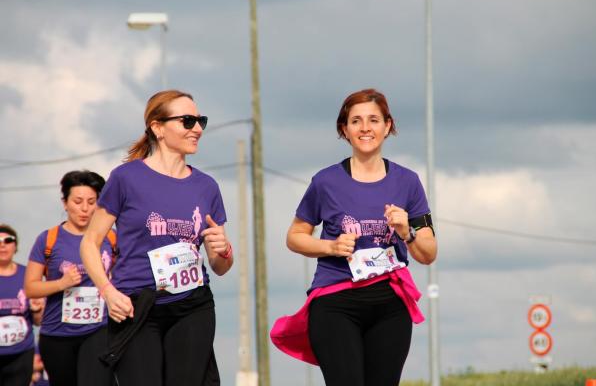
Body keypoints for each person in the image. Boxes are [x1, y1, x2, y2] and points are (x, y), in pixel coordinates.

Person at [271, 88, 438, 386]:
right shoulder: (326, 182)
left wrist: (406, 232)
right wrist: (330, 246)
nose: (365, 128)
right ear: (344, 130)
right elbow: (295, 236)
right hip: (335, 301)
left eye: (373, 120)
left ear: (387, 126)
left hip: (390, 304)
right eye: (356, 121)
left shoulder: (408, 182)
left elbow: (428, 253)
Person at [80, 89, 233, 386]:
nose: (198, 129)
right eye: (188, 121)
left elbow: (220, 264)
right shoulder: (126, 178)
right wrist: (108, 292)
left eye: (200, 120)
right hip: (136, 305)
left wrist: (224, 250)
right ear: (158, 128)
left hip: (192, 304)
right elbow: (89, 243)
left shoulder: (207, 186)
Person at [24, 171, 114, 386]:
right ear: (65, 203)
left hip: (98, 328)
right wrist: (61, 283)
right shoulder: (48, 240)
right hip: (57, 334)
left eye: (92, 202)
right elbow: (30, 288)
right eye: (78, 201)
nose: (84, 209)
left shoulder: (110, 238)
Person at [0, 224, 44, 386]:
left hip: (21, 354)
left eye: (8, 240)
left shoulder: (27, 275)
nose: (2, 244)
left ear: (15, 245)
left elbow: (39, 321)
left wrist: (37, 308)